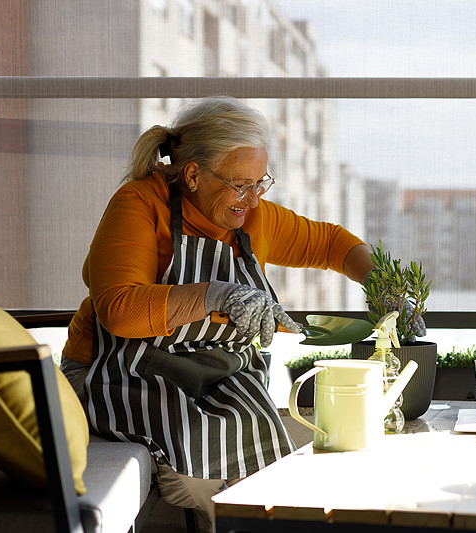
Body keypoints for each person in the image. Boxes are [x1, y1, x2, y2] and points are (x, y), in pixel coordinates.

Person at [59, 96, 375, 529]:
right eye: (241, 185)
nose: (253, 199)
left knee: (270, 469)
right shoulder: (138, 204)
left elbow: (333, 244)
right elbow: (119, 310)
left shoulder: (252, 217)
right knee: (218, 482)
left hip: (213, 373)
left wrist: (382, 285)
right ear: (193, 175)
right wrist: (215, 295)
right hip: (119, 374)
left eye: (260, 183)